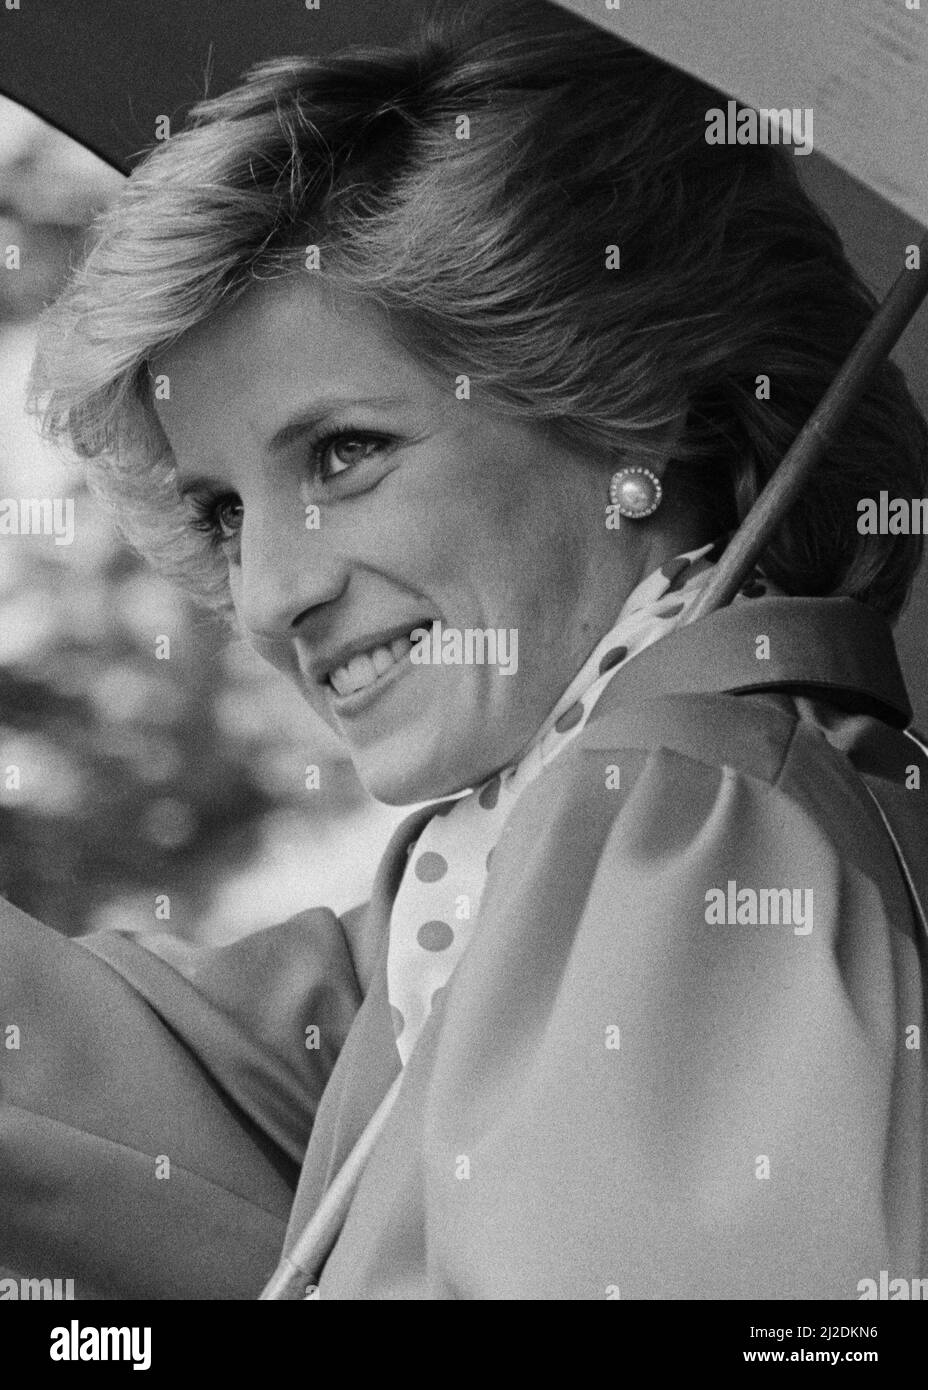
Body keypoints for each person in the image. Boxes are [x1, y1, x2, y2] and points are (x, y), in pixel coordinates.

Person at [2, 0, 927, 1300]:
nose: (268, 594)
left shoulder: (685, 821)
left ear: (632, 410)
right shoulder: (485, 885)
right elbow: (100, 1083)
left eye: (345, 452)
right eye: (223, 510)